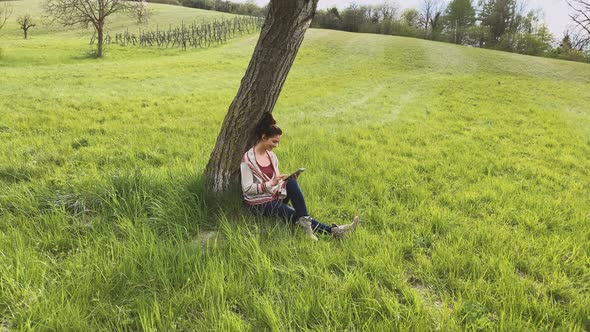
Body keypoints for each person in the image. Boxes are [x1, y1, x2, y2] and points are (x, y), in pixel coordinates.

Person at [240, 113, 359, 241]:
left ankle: (309, 227)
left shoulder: (272, 157)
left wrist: (283, 182)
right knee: (293, 214)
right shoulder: (248, 160)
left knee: (291, 183)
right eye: (274, 141)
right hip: (259, 203)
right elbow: (247, 189)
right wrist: (271, 183)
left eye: (278, 142)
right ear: (264, 137)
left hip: (274, 195)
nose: (276, 146)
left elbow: (275, 183)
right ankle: (333, 231)